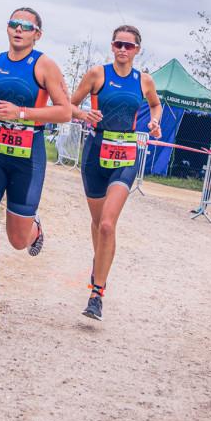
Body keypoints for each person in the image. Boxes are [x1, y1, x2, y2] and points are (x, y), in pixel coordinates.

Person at [0, 8, 71, 333]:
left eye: (26, 26)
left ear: (37, 34)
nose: (18, 30)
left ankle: (33, 229)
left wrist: (21, 113)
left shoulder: (45, 66)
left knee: (17, 239)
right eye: (13, 24)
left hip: (27, 157)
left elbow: (64, 112)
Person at [70, 25, 162, 321]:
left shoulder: (144, 80)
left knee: (108, 225)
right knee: (98, 223)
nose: (123, 49)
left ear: (137, 50)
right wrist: (84, 114)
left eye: (128, 45)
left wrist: (155, 122)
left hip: (126, 154)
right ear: (112, 46)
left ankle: (97, 293)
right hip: (95, 152)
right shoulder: (97, 74)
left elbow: (156, 105)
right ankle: (100, 266)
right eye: (118, 44)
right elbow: (69, 105)